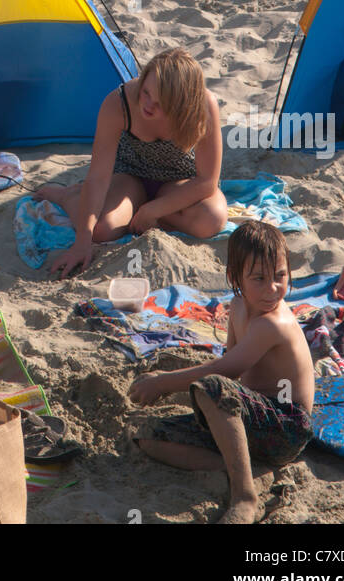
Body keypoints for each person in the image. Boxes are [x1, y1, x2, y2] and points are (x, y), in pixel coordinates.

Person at [130, 221, 314, 525]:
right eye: (259, 278)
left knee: (211, 386)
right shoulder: (238, 305)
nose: (273, 288)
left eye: (280, 276)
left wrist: (162, 382)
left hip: (285, 426)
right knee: (149, 437)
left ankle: (244, 496)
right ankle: (248, 468)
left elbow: (224, 371)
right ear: (235, 277)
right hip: (249, 418)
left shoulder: (272, 323)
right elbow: (231, 365)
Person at [36, 49, 227, 279]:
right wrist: (82, 242)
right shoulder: (120, 102)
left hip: (178, 180)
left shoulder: (203, 106)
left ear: (180, 104)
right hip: (129, 176)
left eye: (160, 103)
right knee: (101, 230)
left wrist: (152, 209)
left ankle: (139, 213)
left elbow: (207, 181)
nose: (147, 104)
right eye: (146, 92)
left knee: (212, 220)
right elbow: (98, 177)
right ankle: (67, 196)